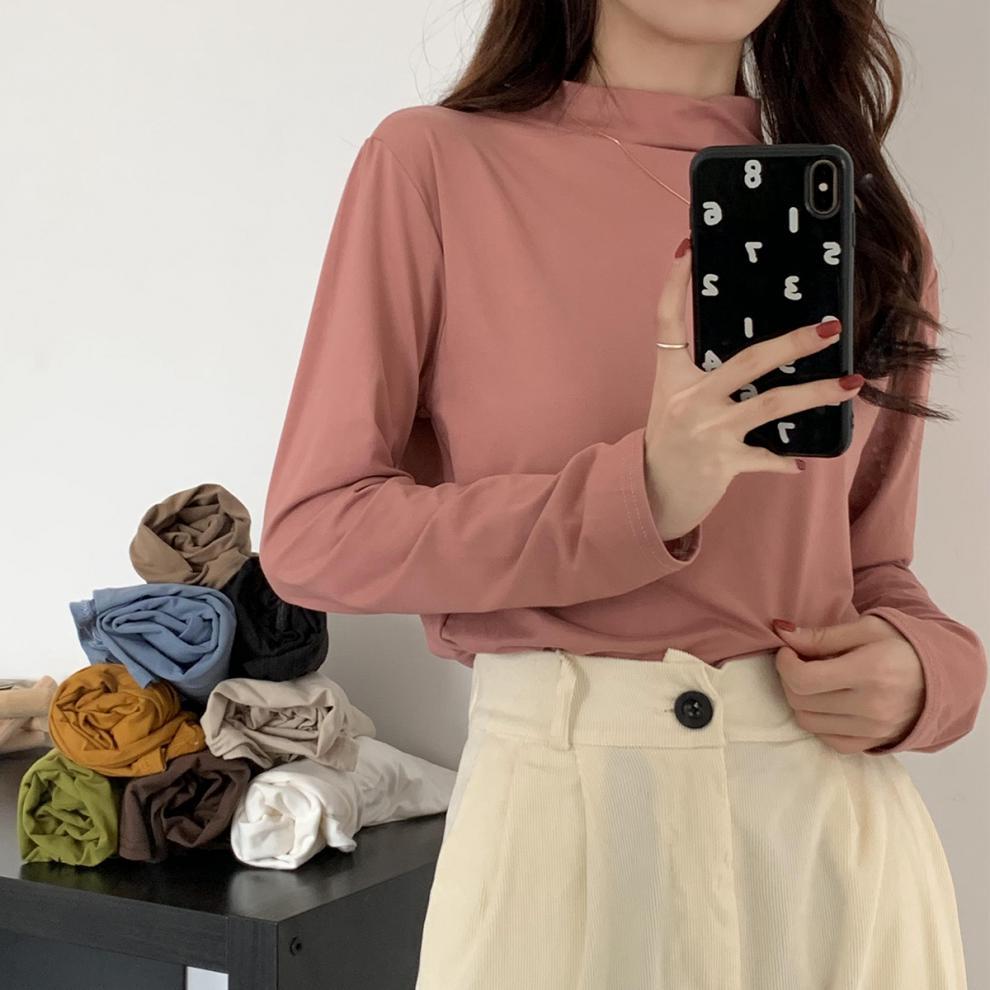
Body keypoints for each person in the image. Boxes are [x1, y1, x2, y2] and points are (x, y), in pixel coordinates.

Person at [258, 0, 988, 986]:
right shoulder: (434, 165)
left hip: (830, 854)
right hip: (564, 842)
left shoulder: (865, 228)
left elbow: (872, 572)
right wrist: (641, 493)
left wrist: (930, 678)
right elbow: (314, 537)